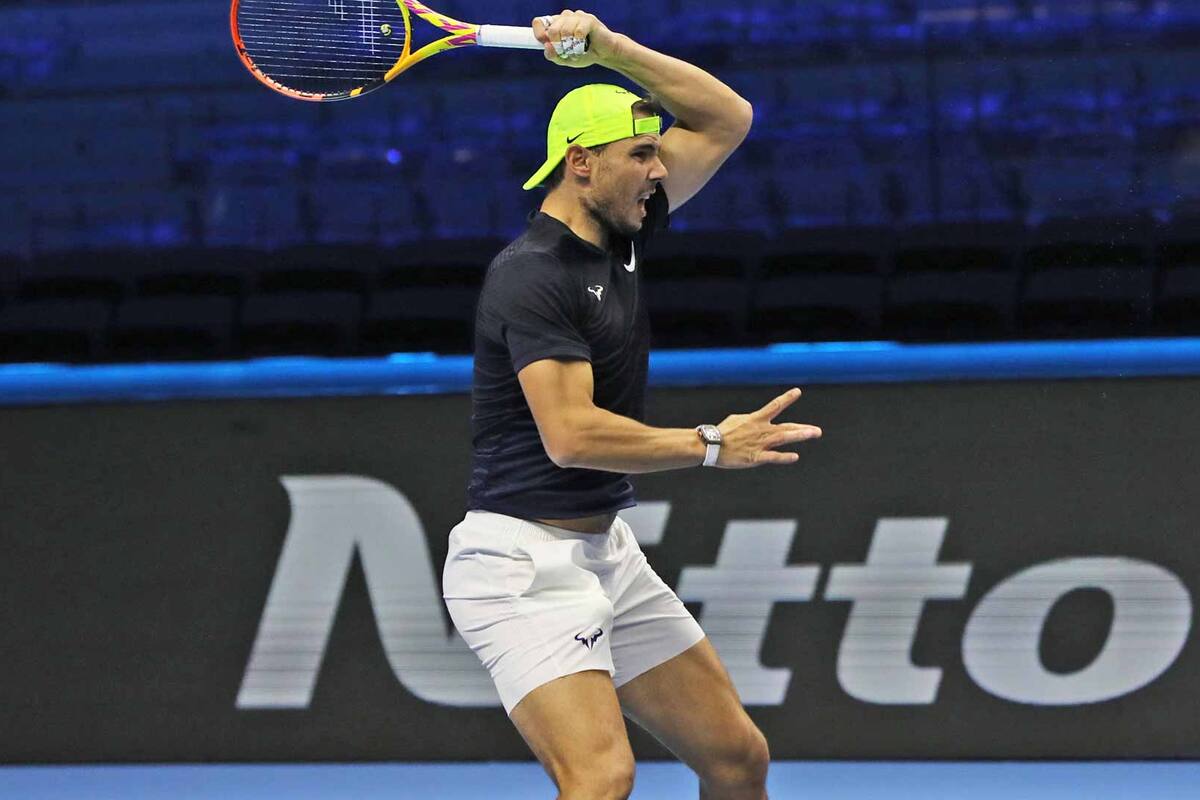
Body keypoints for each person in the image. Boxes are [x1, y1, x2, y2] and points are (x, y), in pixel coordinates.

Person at [442, 10, 823, 799]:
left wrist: (609, 49)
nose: (659, 169)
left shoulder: (622, 230)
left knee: (735, 758)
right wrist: (712, 444)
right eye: (641, 153)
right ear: (581, 164)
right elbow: (571, 437)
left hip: (604, 553)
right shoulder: (532, 275)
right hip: (519, 566)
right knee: (602, 777)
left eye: (657, 152)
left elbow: (728, 117)